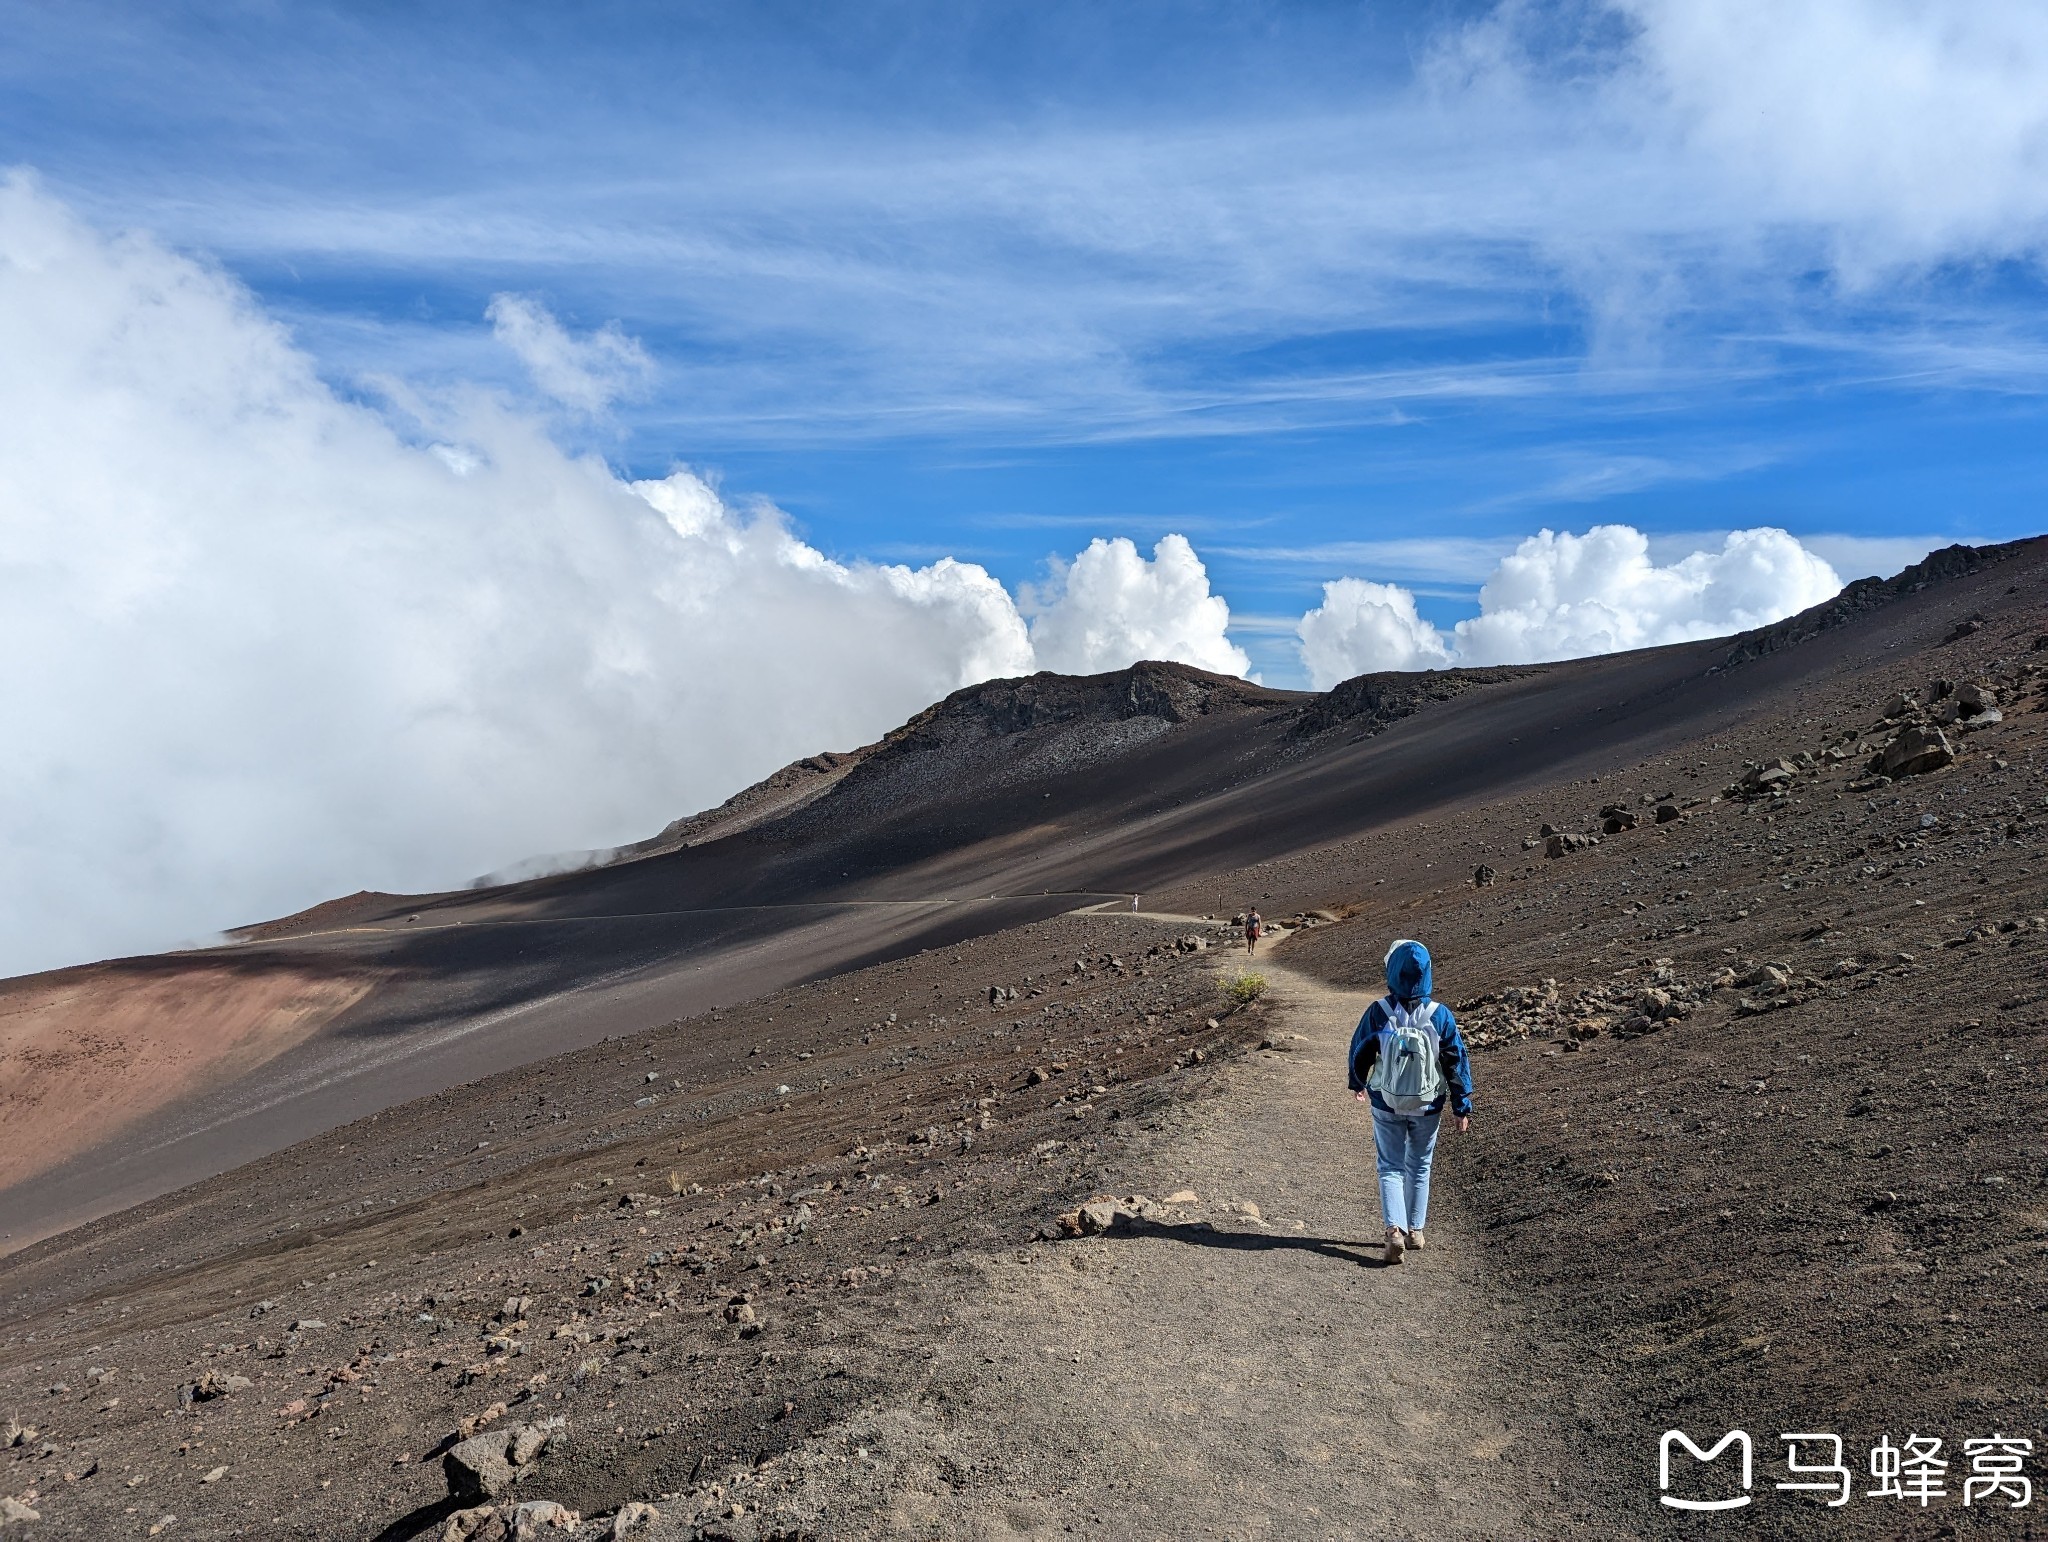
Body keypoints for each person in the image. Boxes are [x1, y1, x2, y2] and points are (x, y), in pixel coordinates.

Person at [1347, 938, 1473, 1264]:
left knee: (1390, 1166)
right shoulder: (1440, 1015)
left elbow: (1360, 1050)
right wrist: (1462, 1105)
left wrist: (1358, 1083)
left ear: (1392, 971)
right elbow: (1455, 1062)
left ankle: (1393, 1232)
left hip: (1385, 1101)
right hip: (1429, 1104)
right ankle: (1415, 1230)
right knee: (1420, 1165)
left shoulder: (1379, 1011)